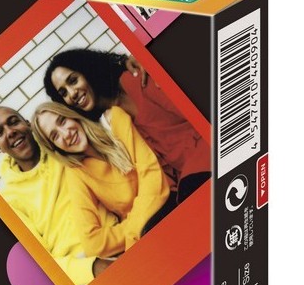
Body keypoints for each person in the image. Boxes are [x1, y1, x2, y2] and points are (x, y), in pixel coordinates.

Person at [43, 48, 210, 200]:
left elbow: (196, 112)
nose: (72, 94)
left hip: (206, 151)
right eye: (63, 93)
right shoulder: (108, 126)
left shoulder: (136, 78)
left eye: (73, 80)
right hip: (184, 183)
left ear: (87, 70)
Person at [0, 106, 115, 285]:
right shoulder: (8, 200)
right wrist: (92, 267)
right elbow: (40, 261)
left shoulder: (61, 146)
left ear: (28, 124)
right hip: (82, 271)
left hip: (118, 237)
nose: (10, 132)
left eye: (13, 122)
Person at [32, 101, 170, 259]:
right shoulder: (77, 172)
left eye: (62, 121)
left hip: (169, 208)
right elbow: (93, 243)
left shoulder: (114, 120)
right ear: (55, 148)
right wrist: (135, 229)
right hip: (143, 237)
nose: (66, 134)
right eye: (55, 136)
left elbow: (152, 177)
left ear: (73, 116)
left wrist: (133, 232)